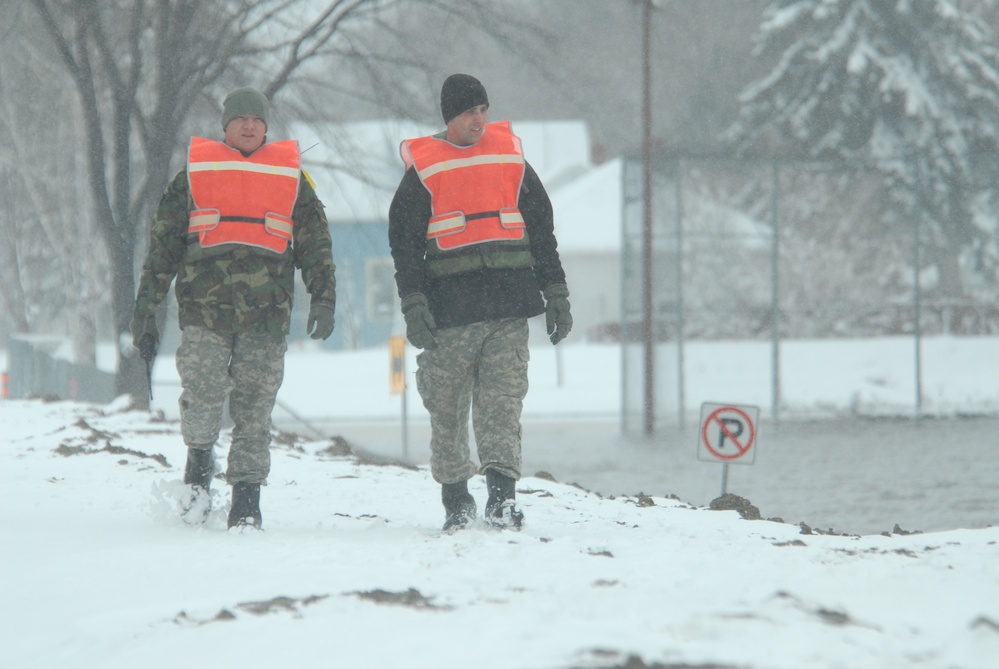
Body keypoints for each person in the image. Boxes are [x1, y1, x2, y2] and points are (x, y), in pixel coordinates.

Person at [130, 87, 337, 530]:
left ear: (266, 126)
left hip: (267, 317)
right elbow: (163, 246)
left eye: (257, 120)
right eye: (240, 119)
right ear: (225, 126)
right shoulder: (194, 176)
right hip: (205, 313)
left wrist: (324, 295)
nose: (249, 125)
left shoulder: (291, 178)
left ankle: (247, 501)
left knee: (254, 409)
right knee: (202, 395)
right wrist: (146, 306)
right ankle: (198, 480)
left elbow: (316, 243)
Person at [388, 74, 573, 532]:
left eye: (483, 110)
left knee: (502, 405)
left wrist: (557, 293)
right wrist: (413, 303)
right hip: (449, 312)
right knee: (447, 408)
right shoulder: (424, 172)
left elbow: (542, 230)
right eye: (470, 111)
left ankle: (502, 499)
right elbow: (404, 243)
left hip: (507, 306)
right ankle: (456, 500)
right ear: (450, 116)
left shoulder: (511, 158)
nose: (478, 119)